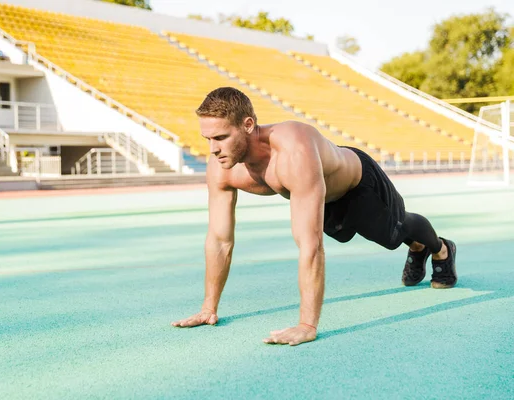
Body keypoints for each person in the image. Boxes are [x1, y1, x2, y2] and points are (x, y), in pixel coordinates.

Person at [171, 87, 457, 346]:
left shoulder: (293, 149)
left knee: (395, 234)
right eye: (207, 139)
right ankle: (417, 247)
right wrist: (209, 308)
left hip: (358, 186)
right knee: (366, 235)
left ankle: (438, 248)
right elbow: (220, 240)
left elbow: (310, 244)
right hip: (320, 196)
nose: (213, 148)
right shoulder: (221, 166)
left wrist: (307, 325)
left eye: (221, 137)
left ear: (248, 125)